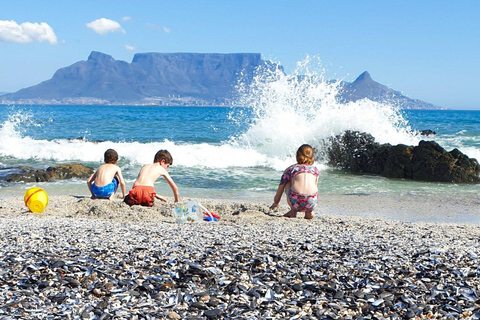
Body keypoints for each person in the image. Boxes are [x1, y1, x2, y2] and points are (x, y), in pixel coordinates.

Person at [270, 144, 320, 219]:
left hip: (295, 201)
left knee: (287, 182)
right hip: (311, 201)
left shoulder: (291, 169)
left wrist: (276, 203)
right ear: (312, 158)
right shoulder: (315, 170)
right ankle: (309, 212)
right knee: (312, 186)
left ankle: (293, 211)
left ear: (297, 157)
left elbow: (281, 187)